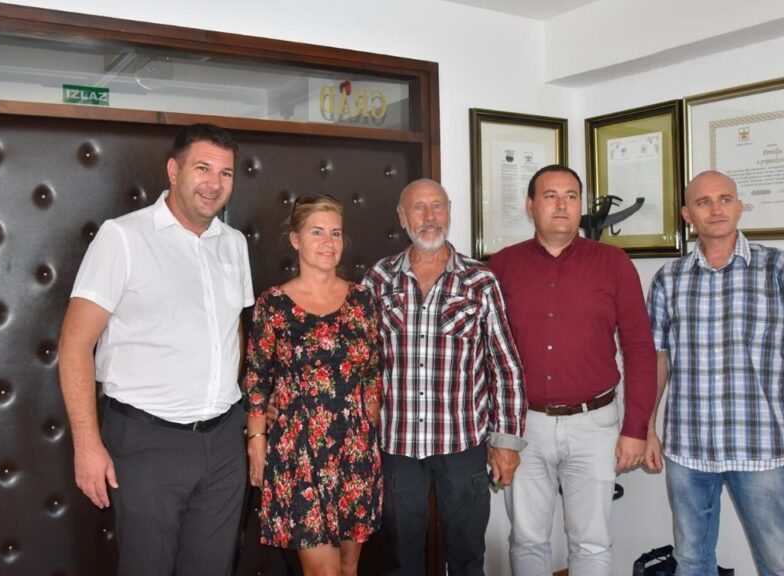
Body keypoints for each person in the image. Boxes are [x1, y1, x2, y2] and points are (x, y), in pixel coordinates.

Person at [57, 123, 253, 576]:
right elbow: (74, 344)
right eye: (202, 168)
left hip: (224, 443)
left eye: (225, 173)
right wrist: (87, 444)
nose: (214, 183)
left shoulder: (235, 244)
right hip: (147, 443)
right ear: (173, 170)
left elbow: (234, 330)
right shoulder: (123, 237)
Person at [645, 170, 784, 576]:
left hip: (760, 448)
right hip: (687, 449)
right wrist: (647, 428)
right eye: (703, 202)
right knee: (691, 561)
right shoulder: (668, 279)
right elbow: (657, 360)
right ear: (687, 215)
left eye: (725, 199)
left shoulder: (778, 268)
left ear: (739, 207)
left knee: (779, 563)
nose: (716, 209)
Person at [489, 165, 656, 576]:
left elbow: (639, 349)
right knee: (527, 539)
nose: (561, 205)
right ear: (530, 205)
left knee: (592, 543)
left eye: (571, 196)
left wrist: (636, 428)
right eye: (550, 196)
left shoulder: (613, 263)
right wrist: (496, 434)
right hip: (524, 426)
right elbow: (485, 354)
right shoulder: (502, 266)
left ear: (580, 205)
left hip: (595, 424)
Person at [362, 178, 526, 576]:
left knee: (468, 557)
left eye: (438, 206)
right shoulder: (378, 279)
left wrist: (506, 442)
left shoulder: (480, 281)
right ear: (402, 216)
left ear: (449, 211)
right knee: (400, 559)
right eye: (418, 207)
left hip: (463, 443)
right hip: (397, 445)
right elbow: (361, 362)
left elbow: (505, 364)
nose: (430, 217)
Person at [243, 194, 383, 576]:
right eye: (317, 232)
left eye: (336, 233)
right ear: (295, 239)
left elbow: (372, 372)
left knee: (348, 567)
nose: (328, 242)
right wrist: (257, 443)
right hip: (298, 453)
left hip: (354, 451)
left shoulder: (363, 300)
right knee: (324, 572)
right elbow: (257, 378)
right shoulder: (274, 304)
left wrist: (366, 429)